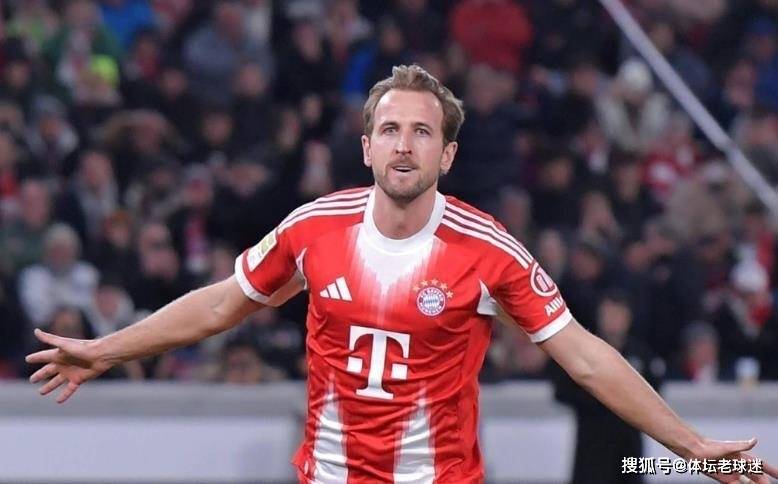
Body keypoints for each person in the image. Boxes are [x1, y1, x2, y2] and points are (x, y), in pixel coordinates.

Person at [26, 65, 776, 484]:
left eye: (422, 131)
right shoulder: (314, 227)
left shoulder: (488, 249)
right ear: (367, 147)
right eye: (390, 129)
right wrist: (107, 349)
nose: (405, 145)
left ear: (447, 155)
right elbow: (221, 306)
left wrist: (688, 444)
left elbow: (583, 355)